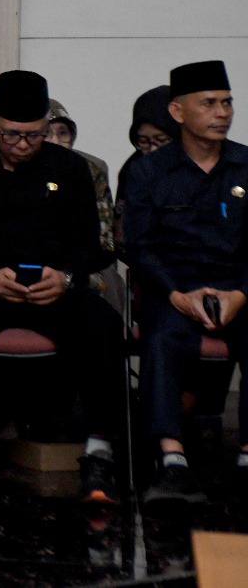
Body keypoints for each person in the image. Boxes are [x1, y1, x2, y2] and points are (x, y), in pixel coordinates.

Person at [0, 70, 123, 504]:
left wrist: (66, 277)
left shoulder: (71, 169)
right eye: (12, 134)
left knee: (103, 325)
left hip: (52, 290)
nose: (22, 144)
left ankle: (100, 450)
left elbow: (91, 246)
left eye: (33, 135)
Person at [124, 60, 247, 506]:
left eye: (227, 103)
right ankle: (171, 459)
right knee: (161, 338)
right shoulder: (148, 172)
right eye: (209, 103)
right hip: (174, 291)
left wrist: (240, 294)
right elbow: (140, 248)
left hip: (237, 290)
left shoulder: (245, 166)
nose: (222, 113)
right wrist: (177, 294)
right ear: (178, 111)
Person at [115, 85, 180, 255]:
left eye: (161, 140)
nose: (152, 149)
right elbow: (121, 235)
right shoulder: (133, 169)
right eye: (143, 142)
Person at [47, 99, 115, 255]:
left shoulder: (92, 168)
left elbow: (105, 238)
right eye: (47, 133)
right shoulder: (19, 167)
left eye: (62, 133)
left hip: (84, 259)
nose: (56, 141)